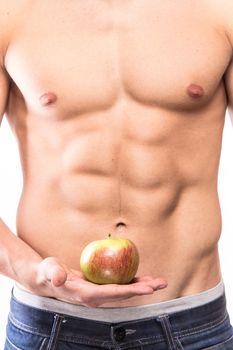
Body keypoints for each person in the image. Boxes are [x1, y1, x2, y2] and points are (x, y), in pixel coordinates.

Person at [0, 1, 233, 349]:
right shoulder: (11, 13)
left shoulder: (220, 10)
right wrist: (36, 274)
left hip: (192, 321)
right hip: (50, 321)